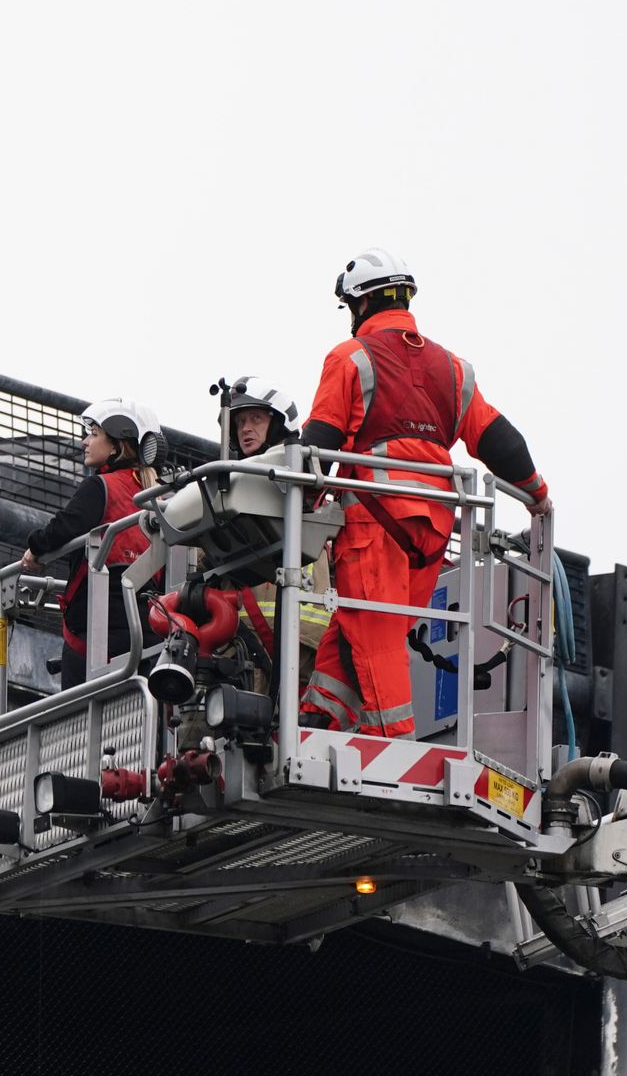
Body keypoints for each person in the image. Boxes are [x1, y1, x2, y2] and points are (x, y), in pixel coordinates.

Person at [296, 249, 551, 737]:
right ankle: (321, 713)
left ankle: (395, 745)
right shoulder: (454, 369)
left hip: (375, 525)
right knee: (369, 625)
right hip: (433, 532)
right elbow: (498, 438)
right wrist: (537, 495)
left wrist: (295, 510)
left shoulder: (349, 357)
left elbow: (320, 442)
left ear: (361, 304)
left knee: (378, 642)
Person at [21, 399, 166, 689]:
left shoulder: (101, 487)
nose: (85, 441)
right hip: (149, 631)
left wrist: (34, 548)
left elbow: (64, 526)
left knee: (80, 722)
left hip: (95, 635)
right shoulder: (158, 496)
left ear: (116, 445)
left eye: (94, 433)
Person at [217, 376, 331, 686]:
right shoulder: (240, 479)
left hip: (288, 636)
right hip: (257, 639)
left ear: (279, 425)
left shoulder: (287, 475)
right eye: (239, 422)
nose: (245, 429)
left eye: (255, 418)